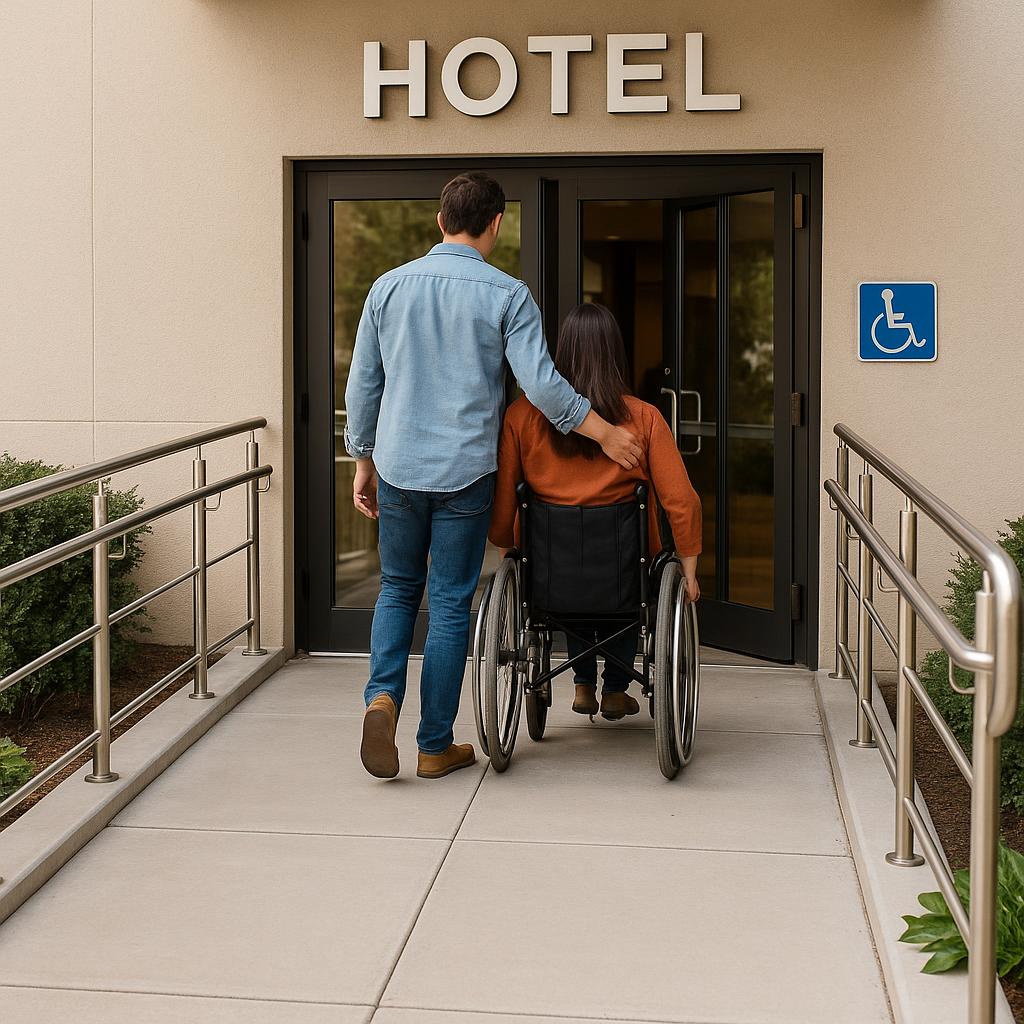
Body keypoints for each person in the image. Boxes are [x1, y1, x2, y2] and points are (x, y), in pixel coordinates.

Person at [345, 173, 642, 780]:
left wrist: (362, 458)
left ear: (440, 220)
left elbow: (364, 383)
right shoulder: (507, 295)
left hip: (399, 468)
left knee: (398, 588)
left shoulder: (388, 288)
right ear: (497, 224)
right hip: (464, 472)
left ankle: (381, 697)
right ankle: (433, 746)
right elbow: (542, 386)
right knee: (452, 602)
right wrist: (605, 433)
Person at [489, 302, 702, 720]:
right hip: (624, 575)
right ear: (614, 354)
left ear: (560, 354)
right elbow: (682, 500)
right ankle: (615, 689)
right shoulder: (644, 418)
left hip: (550, 573)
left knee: (569, 587)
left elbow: (503, 500)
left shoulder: (522, 417)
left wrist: (505, 545)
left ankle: (582, 683)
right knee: (628, 589)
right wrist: (690, 570)